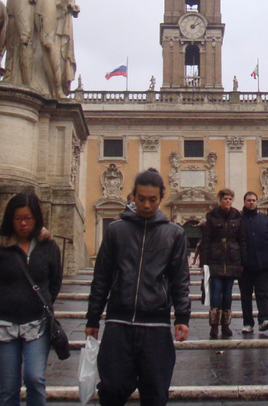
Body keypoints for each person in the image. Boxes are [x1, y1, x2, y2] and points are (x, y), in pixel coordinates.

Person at [86, 169, 190, 405]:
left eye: (152, 200)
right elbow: (101, 276)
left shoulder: (174, 234)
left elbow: (179, 279)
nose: (146, 205)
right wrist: (93, 318)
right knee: (111, 391)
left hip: (156, 324)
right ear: (132, 196)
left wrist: (182, 316)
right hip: (118, 323)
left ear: (162, 197)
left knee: (155, 394)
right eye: (141, 198)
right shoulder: (115, 230)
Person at [0, 192, 62, 406]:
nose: (23, 223)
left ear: (36, 218)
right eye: (18, 218)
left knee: (35, 378)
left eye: (28, 218)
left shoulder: (49, 247)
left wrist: (43, 302)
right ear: (9, 219)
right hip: (3, 323)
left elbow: (54, 283)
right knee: (9, 388)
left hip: (37, 324)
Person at [199, 188, 245, 338]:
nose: (228, 201)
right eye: (225, 199)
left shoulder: (237, 217)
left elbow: (242, 240)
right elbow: (206, 241)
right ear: (220, 200)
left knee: (228, 294)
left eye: (230, 199)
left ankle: (225, 325)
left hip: (232, 259)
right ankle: (214, 325)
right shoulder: (212, 217)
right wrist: (204, 263)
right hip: (215, 259)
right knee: (215, 292)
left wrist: (242, 260)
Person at [239, 192, 268, 333]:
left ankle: (264, 320)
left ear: (257, 202)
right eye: (249, 200)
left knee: (263, 293)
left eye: (253, 200)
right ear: (244, 202)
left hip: (263, 262)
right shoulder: (238, 220)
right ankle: (247, 323)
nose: (251, 202)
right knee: (246, 295)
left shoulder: (265, 219)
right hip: (244, 264)